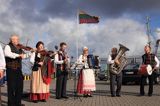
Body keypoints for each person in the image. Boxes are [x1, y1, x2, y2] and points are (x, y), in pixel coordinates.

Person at [4, 34, 29, 106]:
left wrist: (31, 52)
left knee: (19, 87)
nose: (17, 40)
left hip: (18, 69)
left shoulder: (20, 48)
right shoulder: (8, 46)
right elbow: (7, 54)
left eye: (18, 39)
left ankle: (18, 103)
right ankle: (11, 104)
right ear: (12, 40)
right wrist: (18, 55)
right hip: (11, 69)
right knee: (11, 87)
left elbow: (24, 56)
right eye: (16, 39)